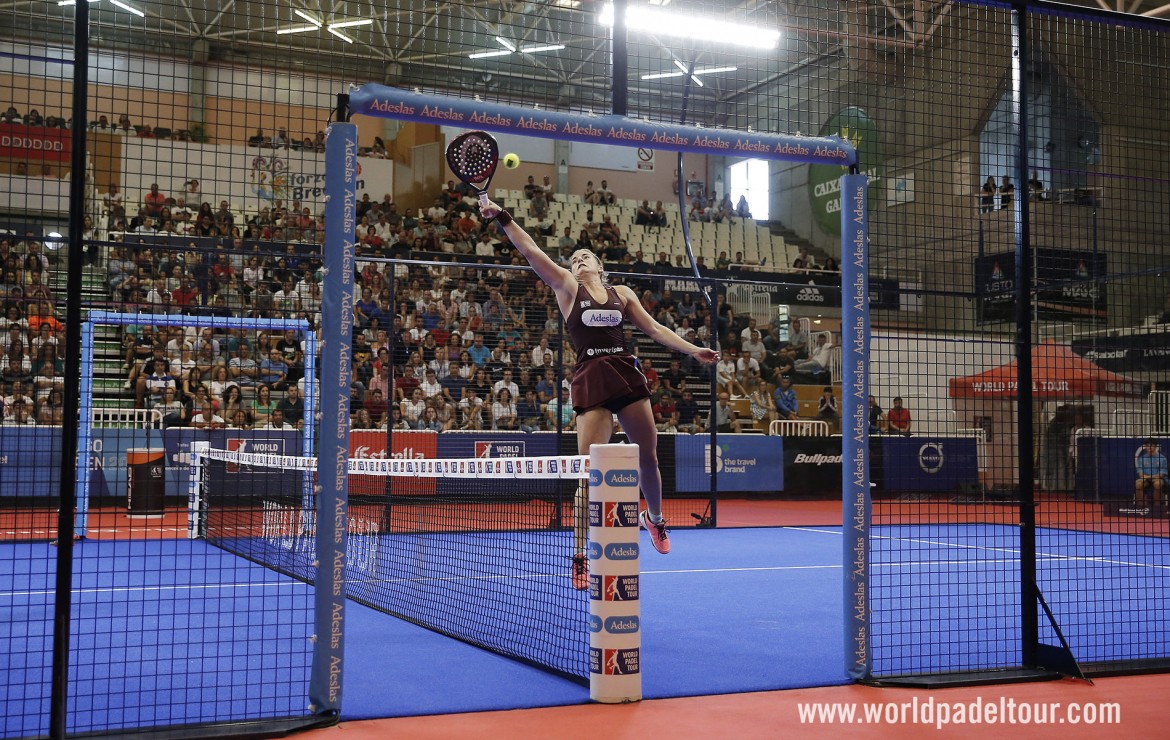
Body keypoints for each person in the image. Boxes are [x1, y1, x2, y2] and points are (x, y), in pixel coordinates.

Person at [480, 197, 719, 589]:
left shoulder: (622, 293)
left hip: (626, 374)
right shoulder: (567, 289)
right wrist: (502, 216)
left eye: (585, 256)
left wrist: (694, 350)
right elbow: (531, 250)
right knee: (587, 475)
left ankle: (655, 520)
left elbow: (656, 330)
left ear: (600, 266)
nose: (578, 261)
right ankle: (579, 557)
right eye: (574, 258)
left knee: (649, 457)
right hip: (591, 378)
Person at [1135, 438, 1167, 506]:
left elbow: (1161, 475)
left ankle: (1157, 504)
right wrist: (1145, 477)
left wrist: (1148, 476)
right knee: (1138, 483)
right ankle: (1141, 505)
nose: (1149, 447)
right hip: (1145, 479)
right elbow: (1140, 474)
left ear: (1155, 447)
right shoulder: (1142, 458)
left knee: (1157, 484)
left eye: (1151, 445)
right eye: (1147, 445)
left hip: (1157, 479)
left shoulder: (1162, 459)